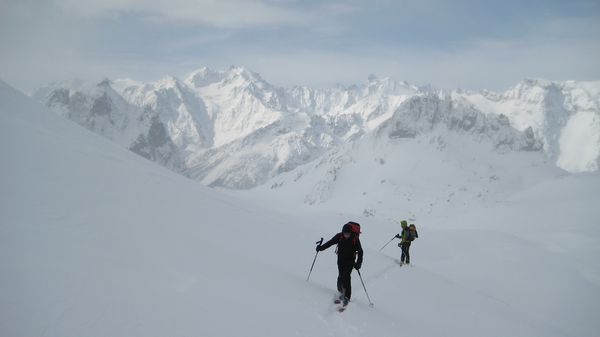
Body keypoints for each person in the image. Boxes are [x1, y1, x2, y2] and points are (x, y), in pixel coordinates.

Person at [316, 222, 363, 305]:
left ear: (351, 232)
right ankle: (341, 290)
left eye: (348, 233)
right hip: (341, 258)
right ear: (342, 232)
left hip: (350, 260)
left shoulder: (355, 238)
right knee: (341, 275)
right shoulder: (339, 236)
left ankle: (347, 296)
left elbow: (360, 251)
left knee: (346, 276)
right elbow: (330, 242)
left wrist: (358, 263)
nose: (346, 235)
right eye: (345, 233)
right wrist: (321, 248)